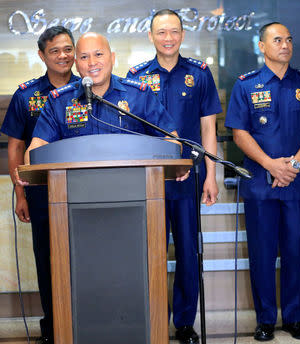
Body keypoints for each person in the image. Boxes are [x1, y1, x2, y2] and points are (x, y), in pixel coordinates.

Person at [225, 22, 300, 341]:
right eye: (276, 39)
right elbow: (239, 134)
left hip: (296, 182)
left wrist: (293, 164)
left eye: (288, 39)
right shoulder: (245, 85)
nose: (284, 44)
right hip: (260, 183)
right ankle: (266, 320)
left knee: (295, 251)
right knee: (261, 253)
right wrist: (271, 164)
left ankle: (295, 319)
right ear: (261, 46)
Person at [127, 9, 222, 344]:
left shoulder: (199, 74)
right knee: (149, 252)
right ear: (151, 36)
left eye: (174, 32)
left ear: (183, 35)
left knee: (187, 251)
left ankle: (184, 323)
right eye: (161, 32)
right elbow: (131, 131)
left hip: (187, 179)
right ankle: (152, 319)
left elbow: (209, 127)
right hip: (149, 181)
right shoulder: (135, 77)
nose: (168, 38)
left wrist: (211, 175)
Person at [1, 26, 79, 344]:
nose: (63, 56)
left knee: (85, 257)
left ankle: (86, 321)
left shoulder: (89, 87)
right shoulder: (27, 94)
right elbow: (16, 147)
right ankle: (53, 327)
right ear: (42, 55)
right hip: (40, 192)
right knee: (48, 259)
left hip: (85, 190)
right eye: (55, 51)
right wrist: (20, 192)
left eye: (68, 49)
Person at [24, 32, 181, 165]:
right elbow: (35, 151)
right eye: (84, 57)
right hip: (76, 193)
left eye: (98, 54)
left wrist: (173, 164)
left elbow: (172, 141)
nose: (92, 63)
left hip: (135, 191)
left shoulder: (139, 94)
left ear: (112, 58)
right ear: (77, 65)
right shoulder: (58, 101)